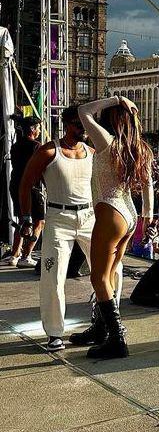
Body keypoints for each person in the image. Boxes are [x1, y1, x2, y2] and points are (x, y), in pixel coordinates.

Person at [78, 95, 153, 358]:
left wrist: (116, 99)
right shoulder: (138, 147)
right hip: (128, 213)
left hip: (110, 212)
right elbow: (148, 183)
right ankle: (101, 330)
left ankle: (117, 339)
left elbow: (83, 111)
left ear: (111, 118)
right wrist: (147, 213)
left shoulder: (106, 142)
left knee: (99, 277)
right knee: (108, 275)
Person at [17, 107, 98, 351]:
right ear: (66, 124)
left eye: (84, 123)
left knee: (110, 270)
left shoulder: (92, 152)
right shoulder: (48, 151)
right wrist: (26, 219)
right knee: (53, 277)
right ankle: (54, 332)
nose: (82, 128)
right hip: (58, 218)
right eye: (77, 124)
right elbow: (25, 184)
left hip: (89, 216)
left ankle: (104, 321)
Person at [8, 117, 45, 267]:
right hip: (31, 187)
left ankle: (14, 255)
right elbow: (40, 169)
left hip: (16, 184)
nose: (40, 131)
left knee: (23, 220)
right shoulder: (36, 146)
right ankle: (26, 255)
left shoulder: (15, 146)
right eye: (38, 128)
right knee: (39, 222)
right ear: (33, 129)